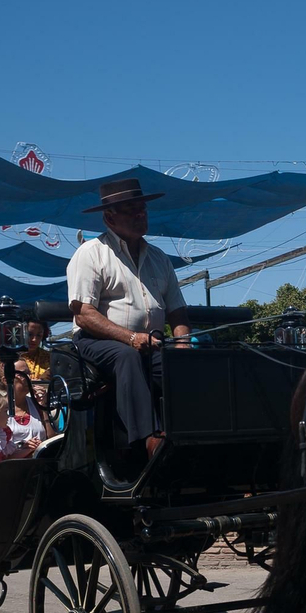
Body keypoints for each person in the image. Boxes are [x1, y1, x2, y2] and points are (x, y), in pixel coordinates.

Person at [68, 178, 190, 462]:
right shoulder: (90, 253)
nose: (140, 215)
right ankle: (148, 442)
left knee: (188, 364)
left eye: (143, 210)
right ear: (109, 217)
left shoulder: (160, 258)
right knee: (127, 357)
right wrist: (132, 338)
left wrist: (183, 345)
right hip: (96, 342)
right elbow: (84, 314)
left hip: (151, 343)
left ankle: (194, 434)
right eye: (131, 210)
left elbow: (178, 312)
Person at [0, 356, 57, 448]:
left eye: (28, 373)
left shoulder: (36, 405)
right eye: (22, 374)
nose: (28, 377)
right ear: (6, 380)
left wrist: (43, 407)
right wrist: (23, 449)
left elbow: (52, 439)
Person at [22, 317, 52, 381]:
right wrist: (40, 380)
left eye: (39, 335)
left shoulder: (50, 358)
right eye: (30, 334)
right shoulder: (10, 357)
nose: (34, 339)